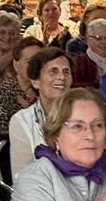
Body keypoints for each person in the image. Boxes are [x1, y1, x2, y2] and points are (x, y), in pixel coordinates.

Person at [8, 47, 73, 178]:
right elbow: (21, 177)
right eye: (53, 72)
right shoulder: (22, 121)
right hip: (40, 193)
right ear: (35, 82)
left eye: (66, 72)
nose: (61, 77)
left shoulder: (84, 114)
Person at [0, 37, 43, 141]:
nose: (36, 66)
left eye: (40, 62)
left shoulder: (49, 90)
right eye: (29, 61)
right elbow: (0, 127)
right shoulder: (0, 91)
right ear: (16, 65)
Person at [71, 18, 106, 89]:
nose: (104, 42)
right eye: (98, 38)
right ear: (89, 40)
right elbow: (75, 87)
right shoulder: (79, 63)